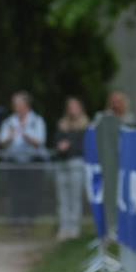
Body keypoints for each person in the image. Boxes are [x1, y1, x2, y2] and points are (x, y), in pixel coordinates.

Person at [0, 90, 47, 231]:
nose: (16, 107)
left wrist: (26, 136)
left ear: (26, 105)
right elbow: (1, 141)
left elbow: (40, 141)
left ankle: (29, 221)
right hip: (14, 162)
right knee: (15, 192)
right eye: (15, 104)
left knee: (31, 192)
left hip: (32, 162)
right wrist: (10, 136)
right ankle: (16, 222)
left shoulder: (37, 120)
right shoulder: (9, 122)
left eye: (18, 104)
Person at [53, 96, 88, 241]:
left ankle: (74, 227)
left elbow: (85, 145)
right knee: (63, 198)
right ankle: (64, 227)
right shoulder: (62, 124)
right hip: (62, 163)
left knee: (75, 197)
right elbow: (56, 141)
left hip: (76, 163)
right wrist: (60, 146)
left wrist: (70, 146)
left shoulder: (85, 125)